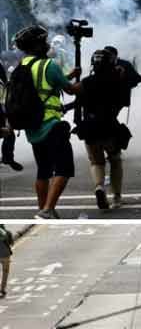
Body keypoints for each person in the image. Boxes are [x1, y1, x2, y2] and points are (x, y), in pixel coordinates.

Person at [12, 25, 82, 220]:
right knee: (64, 167)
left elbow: (44, 84)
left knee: (43, 170)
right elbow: (71, 90)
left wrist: (68, 76)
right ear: (36, 45)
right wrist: (90, 80)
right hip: (51, 123)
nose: (46, 44)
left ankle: (42, 208)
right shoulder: (48, 65)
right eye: (43, 41)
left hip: (32, 126)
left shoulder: (23, 65)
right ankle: (48, 209)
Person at [76, 49, 128, 210]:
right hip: (110, 126)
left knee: (96, 162)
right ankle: (117, 197)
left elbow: (77, 100)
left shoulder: (85, 82)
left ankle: (99, 187)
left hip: (90, 127)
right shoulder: (117, 81)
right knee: (115, 160)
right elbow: (124, 101)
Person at [0, 224, 11, 298]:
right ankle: (2, 290)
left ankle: (2, 289)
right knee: (5, 272)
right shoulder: (5, 232)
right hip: (5, 254)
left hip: (5, 254)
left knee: (5, 272)